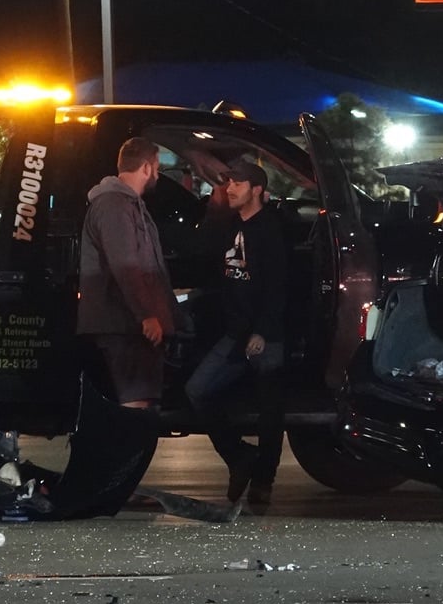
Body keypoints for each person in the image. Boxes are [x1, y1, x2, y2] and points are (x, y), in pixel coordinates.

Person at [185, 158, 288, 505]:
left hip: (265, 333)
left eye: (238, 184)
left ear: (256, 190)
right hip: (233, 333)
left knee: (270, 409)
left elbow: (278, 287)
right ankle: (239, 456)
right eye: (228, 182)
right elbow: (201, 254)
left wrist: (262, 331)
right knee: (197, 390)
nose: (230, 188)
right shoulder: (228, 225)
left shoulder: (270, 230)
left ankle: (264, 482)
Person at [76, 137, 176, 408]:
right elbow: (126, 266)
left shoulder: (127, 205)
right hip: (123, 325)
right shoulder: (114, 207)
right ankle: (126, 448)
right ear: (145, 168)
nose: (157, 174)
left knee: (139, 401)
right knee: (135, 403)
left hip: (128, 324)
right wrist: (147, 315)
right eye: (156, 167)